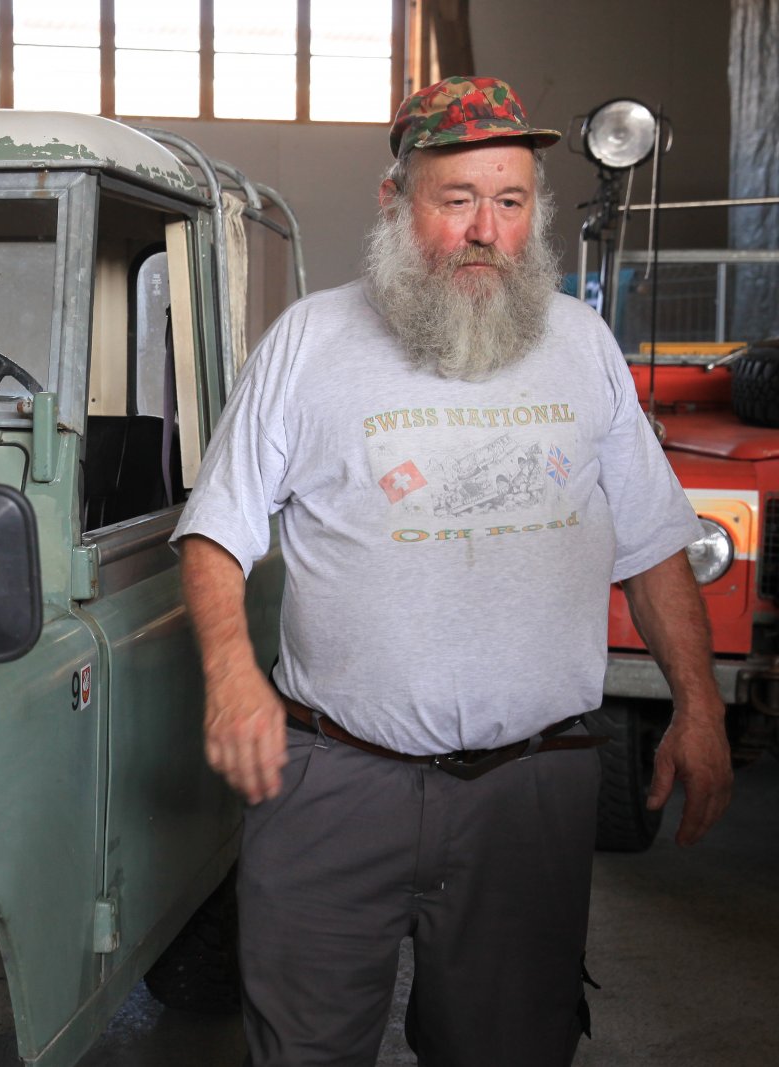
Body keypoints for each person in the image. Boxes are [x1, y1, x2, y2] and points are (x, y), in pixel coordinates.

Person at [172, 75, 732, 1067]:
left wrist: (698, 704)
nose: (485, 231)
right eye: (457, 199)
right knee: (302, 1046)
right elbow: (216, 528)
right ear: (396, 200)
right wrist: (230, 675)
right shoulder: (309, 342)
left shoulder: (583, 345)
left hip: (530, 788)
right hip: (335, 779)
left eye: (509, 201)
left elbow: (651, 545)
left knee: (509, 1046)